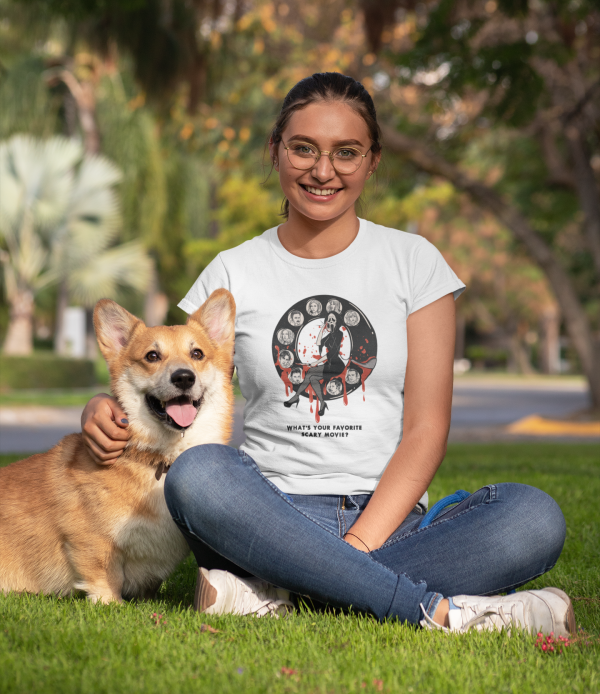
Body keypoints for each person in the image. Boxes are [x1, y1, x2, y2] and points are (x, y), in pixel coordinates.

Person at [81, 72, 574, 635]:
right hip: (262, 515)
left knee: (533, 518)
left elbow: (426, 430)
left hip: (391, 519)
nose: (323, 170)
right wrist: (99, 406)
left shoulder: (415, 262)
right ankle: (445, 612)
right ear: (275, 151)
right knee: (197, 475)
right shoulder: (233, 269)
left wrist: (357, 546)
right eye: (303, 148)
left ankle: (283, 592)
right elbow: (170, 370)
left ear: (372, 160)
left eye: (346, 152)